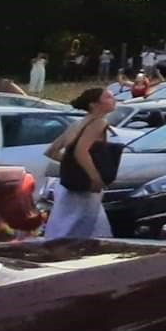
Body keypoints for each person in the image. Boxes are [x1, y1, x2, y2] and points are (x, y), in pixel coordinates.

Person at [45, 88, 116, 238]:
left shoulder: (77, 124)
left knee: (65, 222)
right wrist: (95, 177)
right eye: (108, 97)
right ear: (93, 104)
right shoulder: (99, 123)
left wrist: (73, 165)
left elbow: (52, 151)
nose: (113, 99)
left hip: (68, 185)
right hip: (85, 187)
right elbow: (81, 151)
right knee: (81, 227)